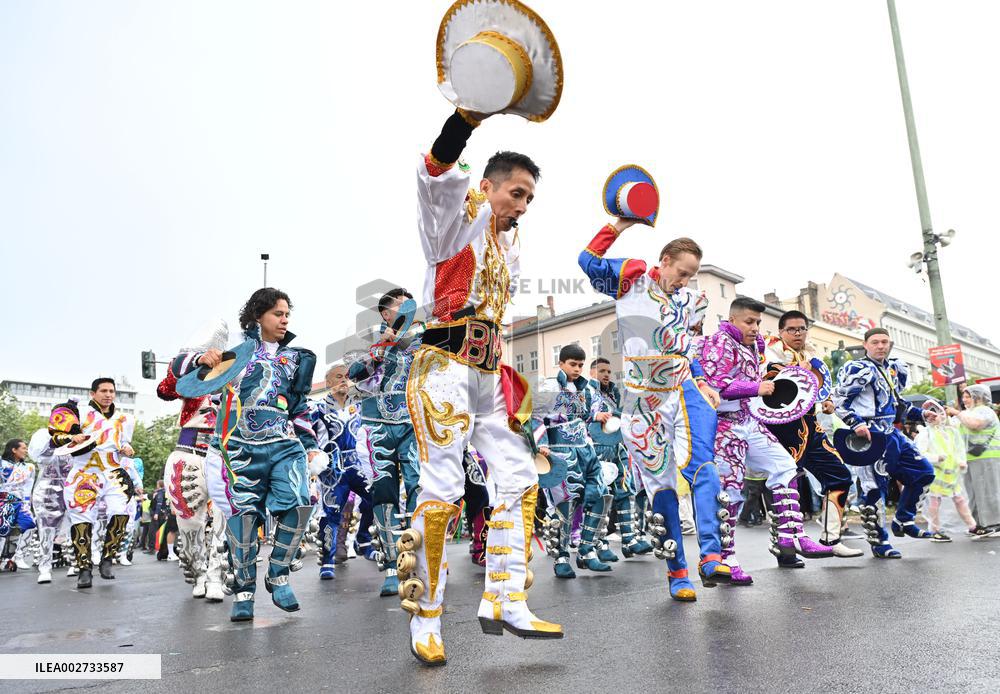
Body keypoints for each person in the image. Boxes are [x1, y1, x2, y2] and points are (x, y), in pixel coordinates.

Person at [401, 108, 562, 666]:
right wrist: (467, 116)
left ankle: (505, 597)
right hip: (443, 365)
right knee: (442, 490)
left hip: (488, 374)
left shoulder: (505, 246)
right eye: (515, 193)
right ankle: (426, 616)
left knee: (520, 476)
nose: (521, 207)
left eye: (529, 199)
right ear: (487, 186)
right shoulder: (454, 223)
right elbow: (436, 170)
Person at [579, 222, 732, 602]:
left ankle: (712, 555)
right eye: (682, 273)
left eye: (692, 276)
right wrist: (619, 224)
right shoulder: (631, 282)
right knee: (660, 483)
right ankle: (677, 571)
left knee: (703, 465)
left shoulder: (693, 303)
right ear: (664, 262)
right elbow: (587, 260)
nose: (685, 282)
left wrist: (705, 382)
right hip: (642, 398)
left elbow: (688, 347)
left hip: (683, 389)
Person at [175, 287, 321, 621]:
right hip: (235, 448)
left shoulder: (297, 358)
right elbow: (180, 371)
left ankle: (279, 574)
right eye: (277, 314)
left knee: (299, 505)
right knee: (242, 521)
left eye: (287, 315)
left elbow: (299, 408)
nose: (284, 320)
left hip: (284, 445)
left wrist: (310, 446)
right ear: (258, 316)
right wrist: (201, 359)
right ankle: (244, 592)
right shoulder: (233, 355)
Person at [701, 299, 833, 584]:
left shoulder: (755, 344)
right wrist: (755, 388)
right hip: (724, 426)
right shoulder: (718, 342)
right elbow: (715, 386)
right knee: (730, 492)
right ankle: (725, 559)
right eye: (750, 322)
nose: (755, 327)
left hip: (749, 420)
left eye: (758, 322)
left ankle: (791, 535)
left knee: (785, 466)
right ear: (732, 319)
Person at [762, 311, 863, 558]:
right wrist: (797, 369)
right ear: (781, 332)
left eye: (802, 329)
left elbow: (821, 386)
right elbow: (773, 384)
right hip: (782, 426)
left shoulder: (813, 354)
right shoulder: (769, 352)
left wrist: (827, 401)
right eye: (792, 329)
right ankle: (783, 546)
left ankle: (831, 538)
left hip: (811, 424)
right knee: (786, 483)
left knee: (839, 475)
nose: (798, 334)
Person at [833, 328, 936, 558]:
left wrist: (921, 415)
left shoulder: (891, 368)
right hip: (870, 436)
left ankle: (903, 520)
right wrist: (856, 423)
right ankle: (880, 542)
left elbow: (897, 405)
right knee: (873, 489)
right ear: (866, 344)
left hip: (892, 433)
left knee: (923, 472)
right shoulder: (858, 368)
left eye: (885, 342)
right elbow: (839, 400)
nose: (881, 346)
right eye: (876, 342)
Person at [347, 288, 424, 596]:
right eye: (401, 305)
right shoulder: (367, 339)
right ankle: (393, 565)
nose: (408, 309)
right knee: (384, 492)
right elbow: (354, 373)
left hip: (411, 422)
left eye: (411, 304)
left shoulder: (421, 340)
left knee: (420, 485)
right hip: (377, 426)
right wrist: (383, 345)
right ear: (385, 313)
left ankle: (419, 557)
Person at [534, 344, 613, 578]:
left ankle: (587, 551)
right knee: (565, 503)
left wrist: (598, 416)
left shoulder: (588, 389)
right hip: (560, 451)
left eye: (580, 365)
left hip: (585, 450)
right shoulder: (549, 387)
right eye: (572, 364)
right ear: (561, 364)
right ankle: (560, 557)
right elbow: (536, 417)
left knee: (600, 495)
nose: (577, 369)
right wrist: (542, 444)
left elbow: (592, 413)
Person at [158, 337, 227, 601]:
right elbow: (166, 387)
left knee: (225, 520)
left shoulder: (239, 377)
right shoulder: (192, 377)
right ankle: (198, 572)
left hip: (226, 454)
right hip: (190, 452)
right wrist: (198, 361)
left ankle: (216, 575)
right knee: (189, 525)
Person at [52, 381, 140, 589]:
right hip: (84, 473)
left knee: (121, 513)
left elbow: (122, 442)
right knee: (82, 520)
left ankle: (108, 559)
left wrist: (126, 449)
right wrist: (73, 437)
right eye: (103, 391)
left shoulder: (125, 419)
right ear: (93, 393)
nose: (108, 395)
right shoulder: (80, 412)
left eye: (111, 391)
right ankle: (84, 569)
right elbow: (57, 437)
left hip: (113, 472)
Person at [309, 364, 373, 580]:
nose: (344, 380)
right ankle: (327, 562)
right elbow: (305, 433)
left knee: (377, 498)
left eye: (347, 377)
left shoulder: (360, 404)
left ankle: (363, 537)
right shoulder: (317, 407)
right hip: (332, 470)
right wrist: (314, 455)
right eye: (338, 377)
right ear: (328, 382)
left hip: (357, 465)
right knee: (330, 515)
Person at [589, 357, 653, 559]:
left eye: (609, 371)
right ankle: (599, 542)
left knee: (627, 491)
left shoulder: (613, 393)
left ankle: (630, 539)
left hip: (618, 447)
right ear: (592, 373)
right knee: (602, 496)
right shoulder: (585, 391)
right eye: (602, 371)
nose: (607, 374)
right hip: (597, 449)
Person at [915, 406, 976, 540]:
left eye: (940, 414)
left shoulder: (950, 432)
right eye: (934, 414)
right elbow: (921, 453)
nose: (939, 417)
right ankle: (934, 529)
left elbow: (958, 449)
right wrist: (936, 458)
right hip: (936, 474)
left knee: (960, 499)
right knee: (934, 501)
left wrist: (961, 461)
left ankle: (972, 525)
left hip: (951, 474)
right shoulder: (926, 433)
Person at [946, 384, 1000, 536]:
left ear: (979, 397)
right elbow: (953, 429)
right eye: (963, 396)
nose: (964, 400)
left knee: (989, 490)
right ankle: (978, 524)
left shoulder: (985, 411)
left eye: (968, 396)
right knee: (974, 492)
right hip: (970, 458)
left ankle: (995, 523)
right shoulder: (967, 413)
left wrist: (956, 413)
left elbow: (975, 425)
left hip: (988, 457)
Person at [25, 428, 72, 583]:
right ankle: (45, 568)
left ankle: (76, 562)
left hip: (72, 487)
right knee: (46, 529)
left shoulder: (77, 435)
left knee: (76, 526)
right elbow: (39, 456)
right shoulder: (43, 435)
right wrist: (54, 442)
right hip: (48, 488)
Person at [0, 439, 36, 571]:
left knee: (30, 525)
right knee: (2, 530)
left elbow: (28, 487)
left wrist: (27, 503)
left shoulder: (29, 467)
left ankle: (18, 556)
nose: (26, 451)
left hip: (20, 502)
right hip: (3, 500)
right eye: (23, 448)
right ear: (14, 450)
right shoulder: (1, 464)